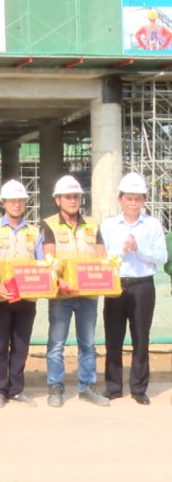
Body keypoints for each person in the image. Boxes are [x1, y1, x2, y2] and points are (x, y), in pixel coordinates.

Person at [100, 172, 167, 405]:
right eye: (129, 198)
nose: (133, 203)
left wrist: (138, 249)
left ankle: (138, 388)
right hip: (116, 285)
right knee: (113, 337)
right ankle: (113, 386)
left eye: (138, 198)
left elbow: (161, 256)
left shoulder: (153, 225)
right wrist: (121, 252)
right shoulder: (108, 225)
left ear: (144, 200)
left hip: (142, 286)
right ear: (120, 199)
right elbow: (102, 256)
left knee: (141, 337)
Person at [42, 175, 108, 408]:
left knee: (88, 343)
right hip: (62, 295)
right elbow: (48, 259)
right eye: (68, 196)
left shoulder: (92, 224)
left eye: (76, 196)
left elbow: (102, 257)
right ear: (58, 200)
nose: (72, 200)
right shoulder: (49, 224)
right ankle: (55, 386)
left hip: (88, 296)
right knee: (57, 342)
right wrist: (58, 282)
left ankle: (87, 387)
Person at [0, 180, 43, 408]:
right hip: (2, 296)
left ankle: (16, 390)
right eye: (12, 200)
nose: (16, 204)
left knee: (21, 344)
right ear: (4, 203)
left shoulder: (34, 232)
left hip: (26, 298)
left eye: (20, 200)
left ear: (25, 203)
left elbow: (40, 263)